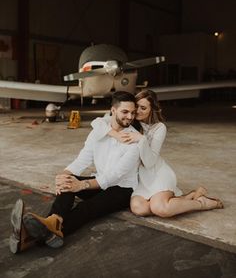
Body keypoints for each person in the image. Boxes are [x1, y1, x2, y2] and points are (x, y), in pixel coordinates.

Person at [9, 91, 140, 253]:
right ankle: (52, 222)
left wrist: (82, 185)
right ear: (113, 110)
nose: (130, 116)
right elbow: (83, 159)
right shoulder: (99, 131)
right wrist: (64, 175)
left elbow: (114, 175)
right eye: (125, 112)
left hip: (123, 189)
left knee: (86, 208)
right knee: (69, 181)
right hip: (100, 181)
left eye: (133, 113)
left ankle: (31, 235)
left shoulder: (134, 140)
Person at [91, 89, 223, 218]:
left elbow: (149, 163)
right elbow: (96, 122)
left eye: (143, 108)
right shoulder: (127, 119)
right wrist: (115, 135)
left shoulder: (159, 128)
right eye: (136, 107)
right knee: (139, 209)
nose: (137, 111)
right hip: (138, 179)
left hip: (156, 173)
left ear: (151, 110)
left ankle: (201, 203)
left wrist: (142, 139)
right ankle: (190, 195)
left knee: (160, 208)